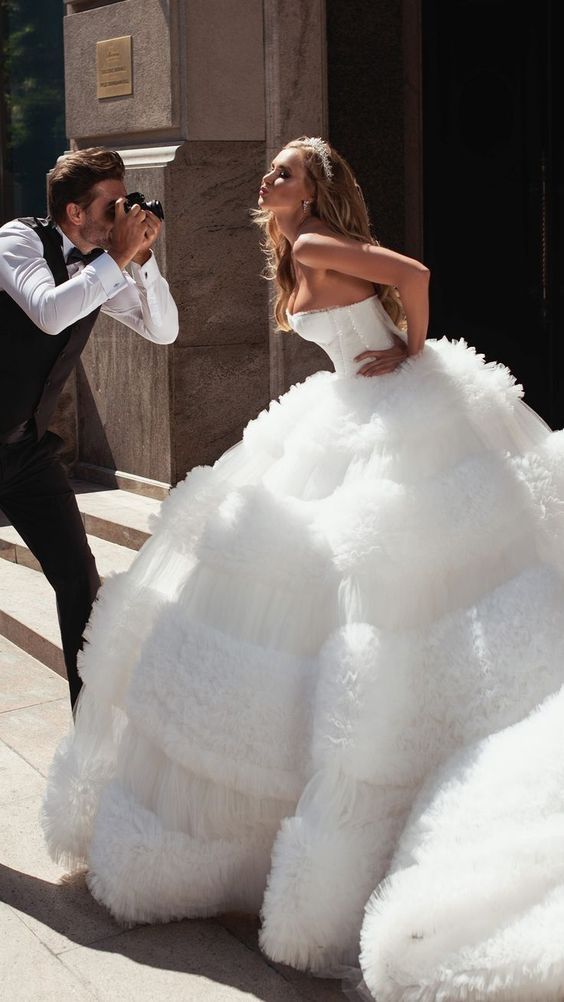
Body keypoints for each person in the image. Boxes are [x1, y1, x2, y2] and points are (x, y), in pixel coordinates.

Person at [42, 137, 564, 993]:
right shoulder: (294, 251)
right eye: (273, 170)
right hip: (344, 410)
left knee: (380, 591)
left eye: (287, 170)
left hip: (389, 411)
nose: (270, 178)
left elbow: (416, 275)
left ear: (316, 188)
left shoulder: (317, 241)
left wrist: (412, 351)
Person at [0, 147, 178, 709]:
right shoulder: (16, 241)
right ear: (75, 213)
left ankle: (91, 729)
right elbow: (50, 310)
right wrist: (117, 258)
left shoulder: (106, 262)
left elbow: (164, 332)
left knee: (80, 582)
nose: (123, 213)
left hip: (25, 454)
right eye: (113, 205)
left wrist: (141, 260)